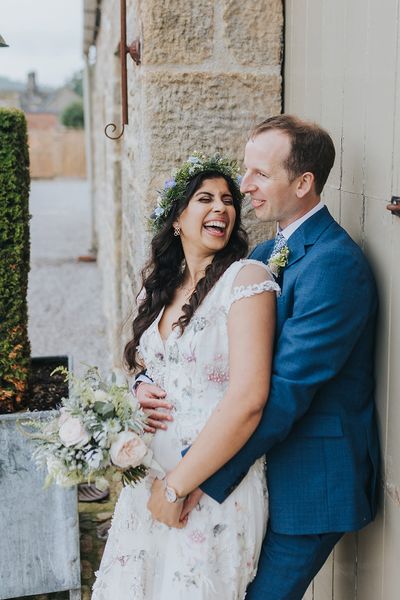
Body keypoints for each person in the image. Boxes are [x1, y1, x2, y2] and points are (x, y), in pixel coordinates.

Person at [139, 116, 380, 600]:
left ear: (304, 182)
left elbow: (285, 391)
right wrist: (145, 380)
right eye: (246, 172)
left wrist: (192, 478)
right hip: (256, 473)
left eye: (259, 175)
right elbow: (197, 343)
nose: (244, 186)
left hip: (309, 483)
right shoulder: (269, 251)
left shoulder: (334, 264)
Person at [92, 153, 280, 599]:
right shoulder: (161, 286)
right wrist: (139, 386)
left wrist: (178, 488)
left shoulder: (246, 280)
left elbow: (250, 398)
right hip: (149, 480)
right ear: (178, 217)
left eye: (229, 200)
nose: (222, 208)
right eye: (205, 198)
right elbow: (143, 362)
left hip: (207, 485)